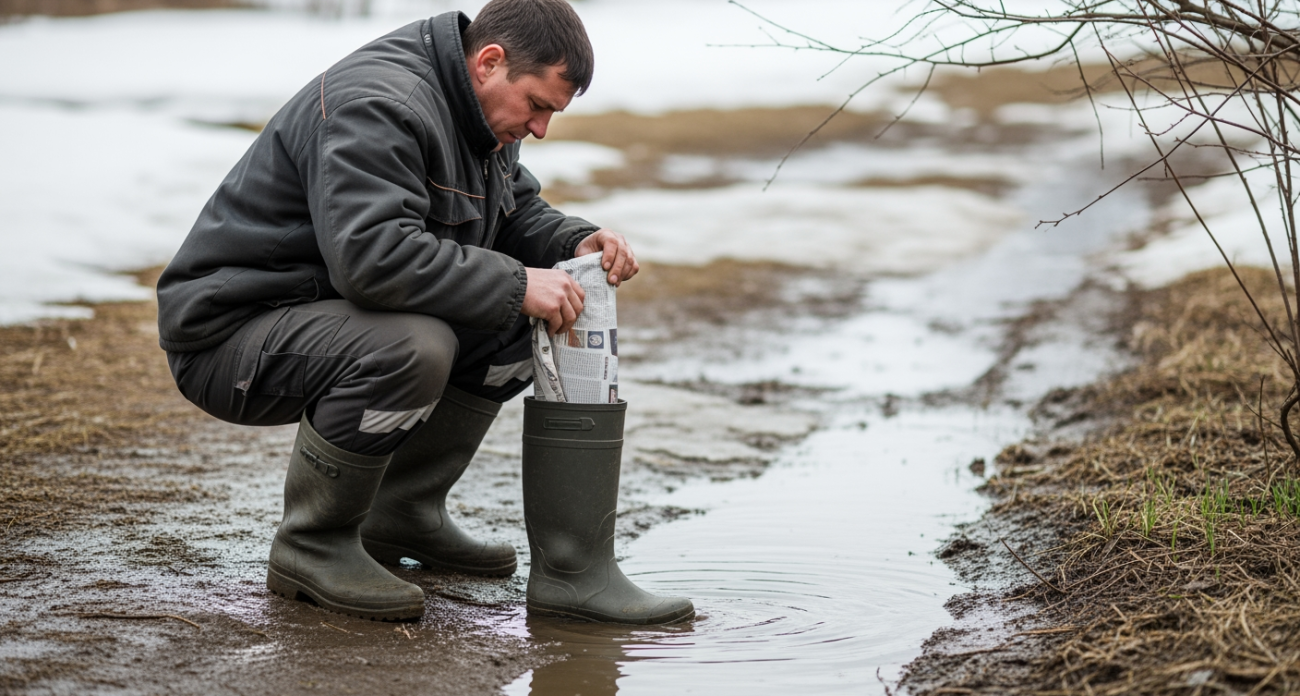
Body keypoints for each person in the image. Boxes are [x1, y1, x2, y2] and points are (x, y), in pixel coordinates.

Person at [156, 0, 693, 625]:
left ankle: (402, 513)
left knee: (522, 327)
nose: (542, 129)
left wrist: (573, 243)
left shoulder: (474, 109)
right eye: (538, 106)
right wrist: (518, 282)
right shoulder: (381, 105)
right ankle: (312, 544)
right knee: (417, 344)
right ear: (490, 61)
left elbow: (512, 213)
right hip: (229, 336)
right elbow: (371, 259)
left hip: (323, 316)